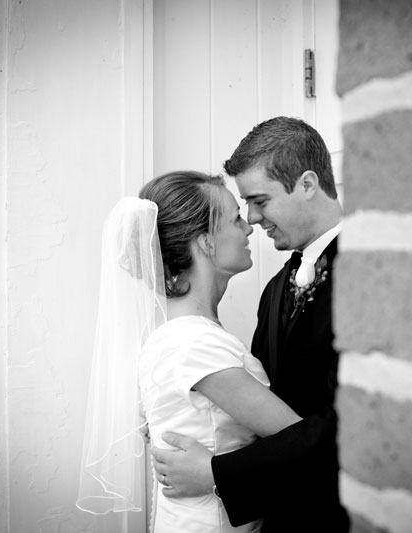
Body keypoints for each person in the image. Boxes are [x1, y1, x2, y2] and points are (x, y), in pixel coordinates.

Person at [151, 117, 350, 532]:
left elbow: (358, 423)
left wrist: (219, 472)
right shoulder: (275, 289)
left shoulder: (375, 269)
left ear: (308, 184)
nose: (254, 219)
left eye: (260, 201)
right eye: (243, 209)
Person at [77, 171, 303, 532]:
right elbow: (301, 444)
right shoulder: (193, 345)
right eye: (235, 218)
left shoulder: (181, 336)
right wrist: (216, 473)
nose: (249, 227)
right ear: (206, 241)